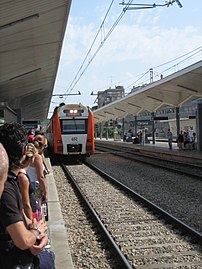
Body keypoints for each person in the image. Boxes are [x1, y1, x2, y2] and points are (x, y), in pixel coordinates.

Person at [0, 122, 48, 269]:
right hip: (9, 259)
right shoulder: (8, 188)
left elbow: (20, 214)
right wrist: (36, 231)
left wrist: (33, 230)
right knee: (48, 262)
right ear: (25, 151)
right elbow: (22, 240)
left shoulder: (12, 180)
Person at [18, 143, 37, 220]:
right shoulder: (23, 177)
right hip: (28, 215)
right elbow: (26, 204)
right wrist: (31, 222)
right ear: (32, 158)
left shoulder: (19, 172)